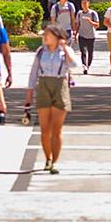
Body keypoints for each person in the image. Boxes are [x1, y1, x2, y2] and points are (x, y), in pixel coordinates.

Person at [24, 27, 82, 174]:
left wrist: (65, 48)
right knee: (45, 128)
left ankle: (55, 161)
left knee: (56, 129)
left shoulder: (64, 51)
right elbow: (33, 75)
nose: (45, 38)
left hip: (60, 84)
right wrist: (29, 96)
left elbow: (74, 65)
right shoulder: (40, 51)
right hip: (43, 85)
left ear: (56, 37)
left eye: (48, 35)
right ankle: (48, 158)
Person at [73, 0, 100, 74]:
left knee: (90, 52)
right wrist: (75, 34)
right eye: (82, 3)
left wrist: (90, 21)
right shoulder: (79, 13)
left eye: (85, 3)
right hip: (82, 35)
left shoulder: (93, 13)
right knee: (83, 52)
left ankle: (88, 65)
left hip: (91, 36)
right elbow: (78, 24)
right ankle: (84, 66)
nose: (84, 5)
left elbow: (97, 25)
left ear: (89, 4)